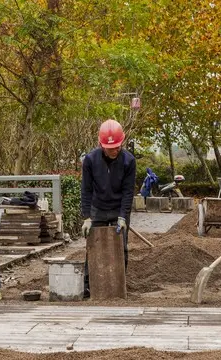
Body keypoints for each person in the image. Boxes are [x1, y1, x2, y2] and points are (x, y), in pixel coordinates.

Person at [81, 119, 136, 298]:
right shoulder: (90, 160)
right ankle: (89, 286)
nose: (114, 150)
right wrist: (86, 217)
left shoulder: (129, 161)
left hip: (119, 207)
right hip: (98, 208)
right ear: (101, 144)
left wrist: (122, 216)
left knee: (122, 247)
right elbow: (86, 189)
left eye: (117, 146)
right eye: (110, 147)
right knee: (94, 246)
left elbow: (128, 192)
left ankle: (119, 285)